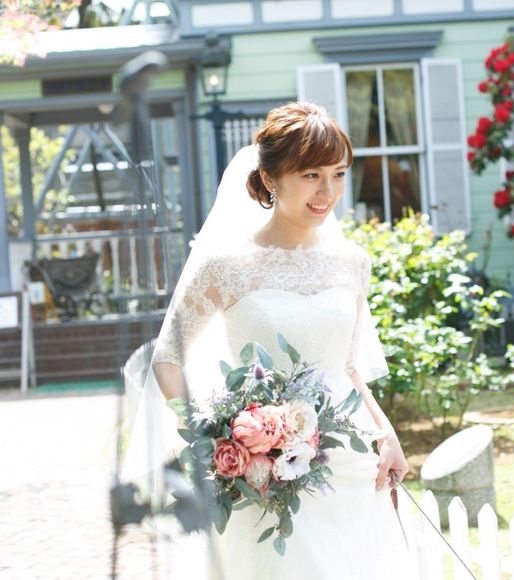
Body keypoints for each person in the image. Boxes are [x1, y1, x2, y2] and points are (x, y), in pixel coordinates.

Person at [125, 101, 412, 579]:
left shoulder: (352, 263)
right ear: (270, 177)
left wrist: (387, 434)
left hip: (349, 463)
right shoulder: (226, 266)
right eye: (311, 175)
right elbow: (167, 357)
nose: (327, 192)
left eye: (338, 175)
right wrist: (213, 439)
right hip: (261, 474)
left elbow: (347, 366)